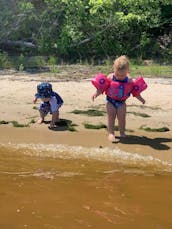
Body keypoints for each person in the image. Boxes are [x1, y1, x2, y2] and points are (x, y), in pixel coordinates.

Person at [92, 55, 146, 142]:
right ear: (114, 69)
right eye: (117, 74)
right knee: (111, 117)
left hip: (121, 102)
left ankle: (122, 132)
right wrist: (96, 93)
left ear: (127, 71)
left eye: (122, 75)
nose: (120, 77)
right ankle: (111, 133)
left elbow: (135, 92)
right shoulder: (110, 77)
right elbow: (102, 87)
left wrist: (141, 99)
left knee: (122, 118)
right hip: (110, 101)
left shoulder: (129, 80)